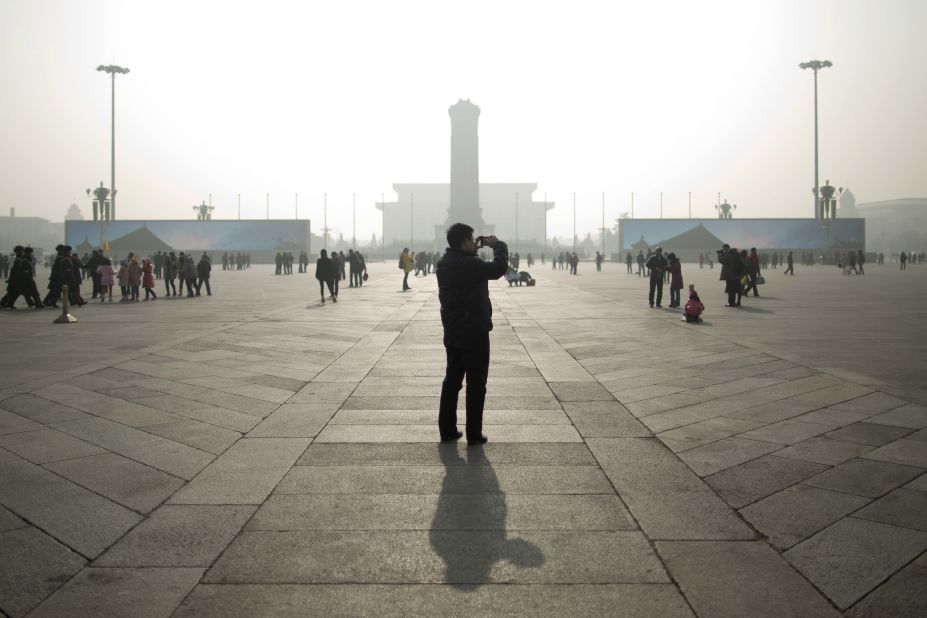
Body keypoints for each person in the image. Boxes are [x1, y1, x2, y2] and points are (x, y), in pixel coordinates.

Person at [436, 224, 508, 446]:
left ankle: (447, 430)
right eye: (471, 239)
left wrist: (473, 253)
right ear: (465, 241)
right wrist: (499, 246)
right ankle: (474, 434)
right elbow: (498, 269)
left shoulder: (444, 262)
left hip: (453, 329)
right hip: (474, 331)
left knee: (452, 381)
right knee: (476, 383)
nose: (473, 242)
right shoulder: (469, 264)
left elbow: (467, 272)